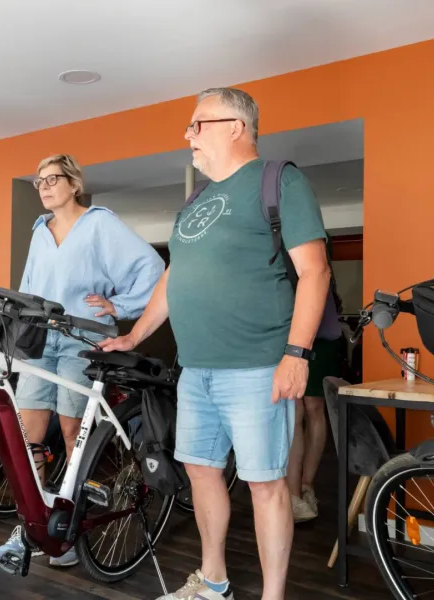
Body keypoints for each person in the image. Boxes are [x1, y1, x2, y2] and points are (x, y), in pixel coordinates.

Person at [101, 87, 331, 600]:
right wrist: (134, 334)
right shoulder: (194, 202)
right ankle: (213, 583)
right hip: (196, 369)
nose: (188, 135)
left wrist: (296, 355)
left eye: (197, 124)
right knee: (201, 473)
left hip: (257, 367)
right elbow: (174, 277)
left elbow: (314, 272)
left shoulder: (279, 181)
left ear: (235, 126)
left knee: (265, 484)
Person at [0, 153, 165, 568]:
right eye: (40, 181)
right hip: (41, 338)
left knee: (73, 434)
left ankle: (69, 528)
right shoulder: (39, 231)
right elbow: (28, 286)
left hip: (81, 339)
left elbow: (153, 267)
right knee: (29, 437)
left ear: (74, 184)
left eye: (53, 178)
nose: (45, 186)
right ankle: (33, 527)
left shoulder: (100, 223)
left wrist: (120, 305)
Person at [286, 282, 344, 522]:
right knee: (294, 410)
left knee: (314, 407)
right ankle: (293, 495)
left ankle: (307, 486)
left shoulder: (319, 265)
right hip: (287, 337)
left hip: (322, 337)